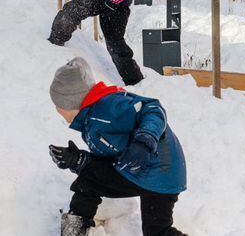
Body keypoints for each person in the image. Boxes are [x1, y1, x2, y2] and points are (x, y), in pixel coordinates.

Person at [47, 58, 187, 236]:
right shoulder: (92, 119)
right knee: (158, 231)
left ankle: (72, 233)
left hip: (155, 169)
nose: (57, 110)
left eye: (58, 104)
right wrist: (78, 160)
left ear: (71, 101)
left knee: (88, 181)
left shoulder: (108, 108)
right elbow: (110, 162)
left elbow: (153, 108)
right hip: (159, 173)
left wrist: (145, 141)